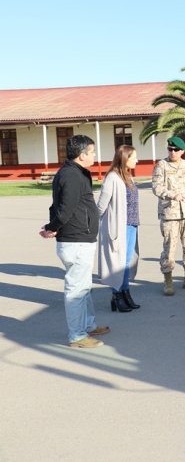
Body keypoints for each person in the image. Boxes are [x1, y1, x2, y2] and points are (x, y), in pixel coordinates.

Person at [39, 135, 109, 348]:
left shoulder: (77, 173)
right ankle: (77, 336)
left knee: (85, 286)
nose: (95, 155)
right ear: (82, 154)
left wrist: (53, 227)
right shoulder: (70, 175)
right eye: (92, 151)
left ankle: (87, 325)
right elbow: (64, 209)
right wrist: (52, 228)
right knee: (76, 290)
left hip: (82, 239)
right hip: (75, 240)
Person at [152, 136, 185, 296]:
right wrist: (171, 194)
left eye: (176, 150)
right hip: (170, 213)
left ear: (182, 151)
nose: (173, 152)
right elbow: (156, 187)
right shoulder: (161, 166)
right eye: (170, 149)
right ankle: (168, 281)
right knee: (169, 248)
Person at [97, 144, 141, 313]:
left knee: (127, 263)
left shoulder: (129, 176)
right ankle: (117, 295)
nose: (137, 160)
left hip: (131, 225)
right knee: (119, 263)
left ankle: (125, 292)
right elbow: (101, 205)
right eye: (134, 157)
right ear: (125, 158)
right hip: (119, 227)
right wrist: (94, 223)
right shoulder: (112, 178)